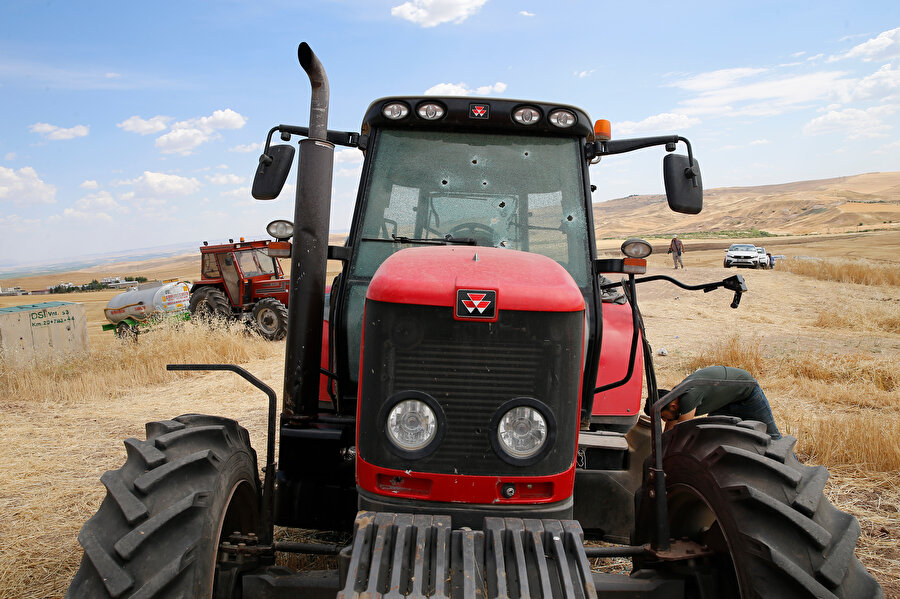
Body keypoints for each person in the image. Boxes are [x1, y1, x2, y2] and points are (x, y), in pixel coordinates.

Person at [658, 365, 782, 438]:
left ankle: (798, 476)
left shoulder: (687, 398)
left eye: (663, 417)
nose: (665, 421)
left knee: (772, 437)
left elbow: (682, 435)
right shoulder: (673, 397)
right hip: (723, 402)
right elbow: (668, 435)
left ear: (672, 406)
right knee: (712, 439)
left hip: (747, 394)